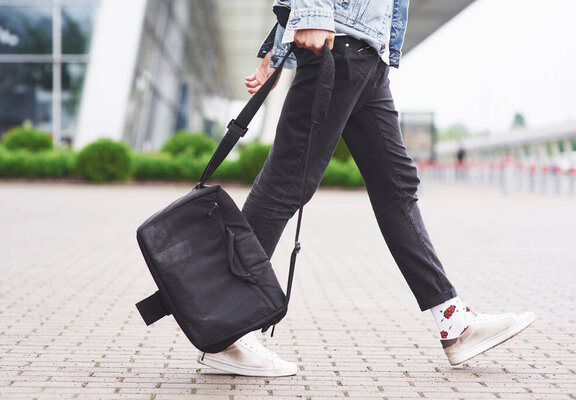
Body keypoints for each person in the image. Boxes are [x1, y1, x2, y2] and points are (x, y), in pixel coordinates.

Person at [197, 0, 535, 376]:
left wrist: (277, 51)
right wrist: (315, 14)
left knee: (397, 189)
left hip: (368, 59)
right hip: (338, 47)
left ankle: (454, 322)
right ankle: (225, 331)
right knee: (286, 183)